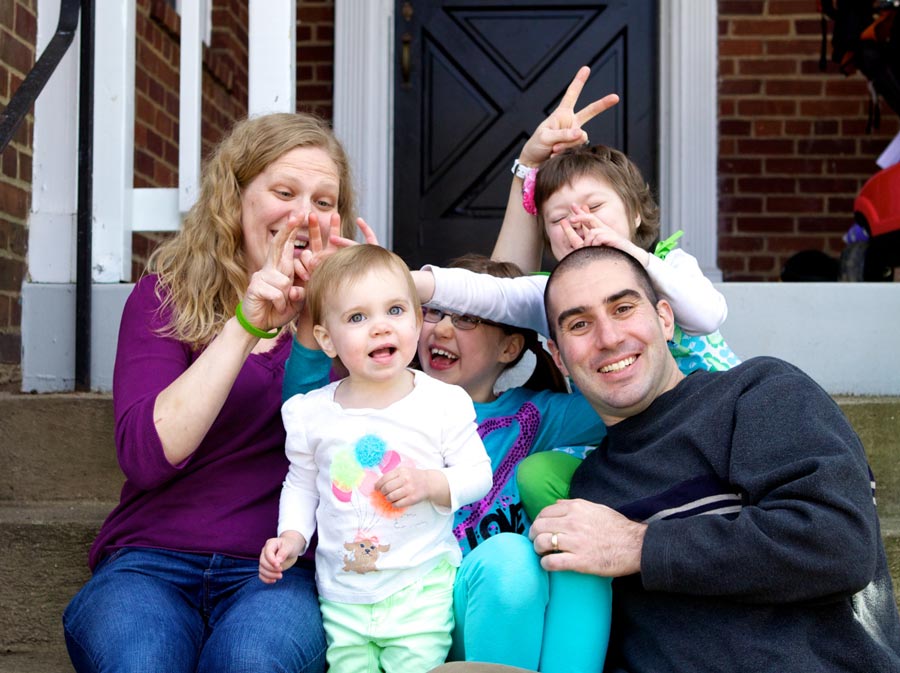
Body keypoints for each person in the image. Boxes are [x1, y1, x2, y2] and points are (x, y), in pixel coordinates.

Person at [62, 112, 363, 673]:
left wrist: (336, 312)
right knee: (141, 660)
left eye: (324, 201)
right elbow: (148, 458)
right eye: (283, 192)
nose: (304, 214)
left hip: (280, 571)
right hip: (149, 563)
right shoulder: (164, 298)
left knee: (251, 661)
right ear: (235, 198)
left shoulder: (354, 322)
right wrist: (245, 324)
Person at [528, 245, 899, 672]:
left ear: (665, 319)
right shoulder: (589, 495)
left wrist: (638, 545)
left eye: (624, 308)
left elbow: (839, 544)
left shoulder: (756, 395)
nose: (609, 338)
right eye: (579, 324)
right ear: (560, 358)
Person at [260, 244, 493, 673]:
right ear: (327, 340)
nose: (380, 328)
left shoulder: (441, 402)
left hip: (419, 587)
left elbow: (479, 474)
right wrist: (292, 536)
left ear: (418, 320)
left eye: (396, 311)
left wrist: (430, 483)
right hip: (342, 592)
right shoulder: (312, 412)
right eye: (357, 318)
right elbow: (301, 483)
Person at [417, 254, 612, 673]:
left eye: (469, 317)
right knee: (510, 556)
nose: (443, 328)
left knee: (580, 556)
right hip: (424, 617)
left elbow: (630, 392)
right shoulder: (388, 406)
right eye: (433, 311)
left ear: (509, 346)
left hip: (514, 608)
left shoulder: (533, 415)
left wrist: (566, 323)